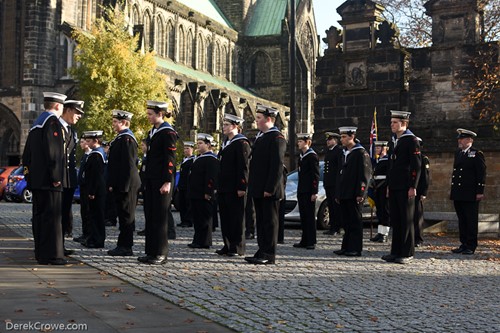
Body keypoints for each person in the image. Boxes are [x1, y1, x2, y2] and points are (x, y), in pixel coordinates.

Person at [22, 92, 67, 265]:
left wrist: (29, 176)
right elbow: (54, 152)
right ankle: (54, 255)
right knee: (53, 218)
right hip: (50, 181)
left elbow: (27, 154)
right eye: (62, 106)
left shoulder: (36, 123)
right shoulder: (52, 122)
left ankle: (41, 253)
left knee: (39, 217)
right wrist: (56, 176)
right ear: (57, 106)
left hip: (37, 180)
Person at [245, 104, 286, 265]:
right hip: (259, 188)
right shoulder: (262, 136)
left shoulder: (277, 138)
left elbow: (276, 166)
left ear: (269, 119)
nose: (256, 122)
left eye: (259, 119)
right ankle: (262, 250)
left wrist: (270, 188)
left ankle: (269, 254)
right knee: (261, 222)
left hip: (269, 189)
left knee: (269, 222)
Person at [138, 100, 178, 265]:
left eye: (150, 114)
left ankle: (160, 253)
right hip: (151, 180)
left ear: (160, 114)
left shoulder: (167, 133)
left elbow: (170, 159)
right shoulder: (152, 132)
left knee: (160, 218)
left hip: (162, 181)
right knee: (151, 216)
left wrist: (168, 181)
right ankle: (151, 251)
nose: (148, 117)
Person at [382, 111, 421, 264]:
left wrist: (413, 186)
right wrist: (388, 185)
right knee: (396, 219)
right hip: (394, 186)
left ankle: (407, 252)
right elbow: (391, 166)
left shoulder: (411, 140)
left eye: (395, 122)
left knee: (406, 219)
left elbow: (416, 165)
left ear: (404, 123)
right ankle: (395, 251)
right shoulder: (393, 141)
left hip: (406, 186)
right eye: (391, 122)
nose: (392, 125)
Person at [106, 110, 141, 256]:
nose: (113, 124)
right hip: (121, 184)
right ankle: (123, 244)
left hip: (127, 185)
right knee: (123, 215)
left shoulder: (127, 139)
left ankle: (126, 246)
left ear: (124, 122)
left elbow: (128, 165)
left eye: (116, 122)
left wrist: (124, 186)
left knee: (127, 216)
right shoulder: (121, 138)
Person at [333, 127, 372, 257]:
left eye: (344, 137)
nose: (341, 140)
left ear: (352, 136)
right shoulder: (343, 153)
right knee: (346, 222)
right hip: (344, 193)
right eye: (341, 137)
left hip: (354, 194)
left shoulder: (360, 153)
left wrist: (361, 193)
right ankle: (346, 246)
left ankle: (355, 248)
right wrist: (338, 193)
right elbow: (339, 175)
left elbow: (364, 175)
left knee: (355, 222)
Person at [216, 114, 251, 256]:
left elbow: (244, 167)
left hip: (235, 187)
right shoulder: (226, 143)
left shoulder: (241, 143)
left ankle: (237, 247)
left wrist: (242, 186)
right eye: (223, 124)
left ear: (235, 126)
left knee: (236, 218)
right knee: (226, 218)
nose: (223, 127)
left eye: (226, 125)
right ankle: (228, 244)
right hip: (224, 186)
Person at [450, 128, 486, 255]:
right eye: (459, 138)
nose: (459, 141)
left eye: (462, 138)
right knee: (462, 219)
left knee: (470, 220)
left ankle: (471, 245)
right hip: (459, 193)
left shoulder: (476, 154)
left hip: (470, 193)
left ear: (470, 140)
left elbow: (481, 174)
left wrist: (479, 191)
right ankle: (463, 243)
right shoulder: (458, 153)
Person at [59, 100, 84, 251]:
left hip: (69, 180)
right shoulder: (56, 128)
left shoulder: (71, 131)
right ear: (68, 110)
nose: (79, 116)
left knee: (64, 215)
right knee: (57, 215)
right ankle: (56, 246)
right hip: (59, 179)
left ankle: (60, 246)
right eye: (77, 113)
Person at [188, 133, 220, 249]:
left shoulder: (211, 159)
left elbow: (211, 177)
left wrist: (209, 192)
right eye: (198, 143)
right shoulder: (199, 158)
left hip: (204, 193)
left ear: (208, 145)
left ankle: (205, 241)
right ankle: (198, 239)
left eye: (201, 143)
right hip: (196, 193)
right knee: (197, 218)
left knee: (205, 218)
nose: (198, 145)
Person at [81, 130, 107, 249]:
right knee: (93, 215)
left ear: (96, 141)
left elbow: (95, 176)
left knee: (97, 216)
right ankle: (93, 238)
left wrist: (92, 191)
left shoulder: (97, 155)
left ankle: (97, 240)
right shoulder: (96, 153)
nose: (87, 143)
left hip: (96, 190)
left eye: (89, 141)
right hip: (95, 189)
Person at [293, 133, 320, 250]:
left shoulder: (312, 156)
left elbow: (315, 175)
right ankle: (304, 239)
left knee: (309, 216)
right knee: (303, 216)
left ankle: (311, 241)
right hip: (302, 190)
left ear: (307, 142)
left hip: (309, 190)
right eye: (298, 141)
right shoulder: (302, 156)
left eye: (300, 141)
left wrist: (314, 191)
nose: (298, 143)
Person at [322, 131, 343, 236]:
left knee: (335, 207)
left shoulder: (338, 151)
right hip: (328, 183)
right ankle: (332, 226)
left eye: (330, 140)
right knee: (330, 206)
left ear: (335, 140)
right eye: (327, 140)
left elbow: (339, 169)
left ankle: (336, 227)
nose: (328, 142)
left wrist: (337, 183)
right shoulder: (328, 151)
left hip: (335, 184)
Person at [370, 141, 390, 243]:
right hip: (377, 187)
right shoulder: (378, 160)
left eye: (378, 148)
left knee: (385, 210)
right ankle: (380, 232)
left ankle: (385, 233)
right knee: (379, 210)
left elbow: (390, 175)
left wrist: (388, 188)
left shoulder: (388, 160)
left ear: (384, 148)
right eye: (376, 148)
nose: (376, 150)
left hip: (384, 186)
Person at [73, 137, 91, 244]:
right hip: (83, 187)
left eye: (83, 142)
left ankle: (88, 234)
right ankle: (85, 233)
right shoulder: (85, 155)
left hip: (88, 187)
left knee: (88, 212)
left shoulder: (91, 155)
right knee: (84, 212)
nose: (81, 144)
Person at [414, 137, 430, 247]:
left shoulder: (423, 159)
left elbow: (425, 177)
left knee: (417, 215)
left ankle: (418, 238)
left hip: (418, 191)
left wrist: (423, 192)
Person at [177, 141, 195, 228]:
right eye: (184, 148)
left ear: (192, 150)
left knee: (188, 204)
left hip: (188, 185)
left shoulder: (193, 160)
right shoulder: (184, 160)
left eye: (188, 148)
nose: (185, 150)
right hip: (182, 184)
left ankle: (188, 221)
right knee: (182, 203)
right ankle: (183, 219)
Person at [137, 139, 148, 236]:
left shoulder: (149, 158)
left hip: (148, 186)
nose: (142, 147)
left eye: (143, 145)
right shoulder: (145, 157)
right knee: (146, 210)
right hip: (144, 186)